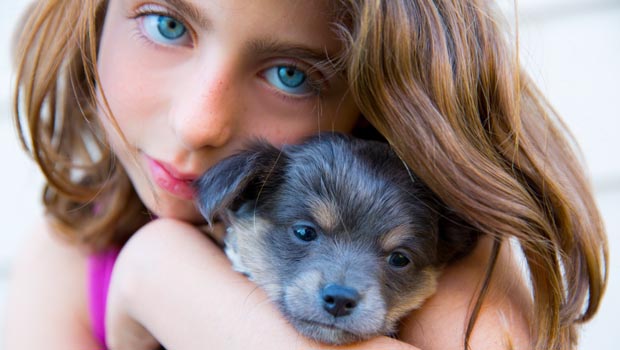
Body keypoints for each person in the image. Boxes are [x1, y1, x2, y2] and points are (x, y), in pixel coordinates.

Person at [5, 0, 607, 349]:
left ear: (382, 99)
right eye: (167, 24)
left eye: (292, 73)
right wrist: (138, 279)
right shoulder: (66, 257)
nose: (196, 123)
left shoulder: (453, 254)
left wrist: (161, 277)